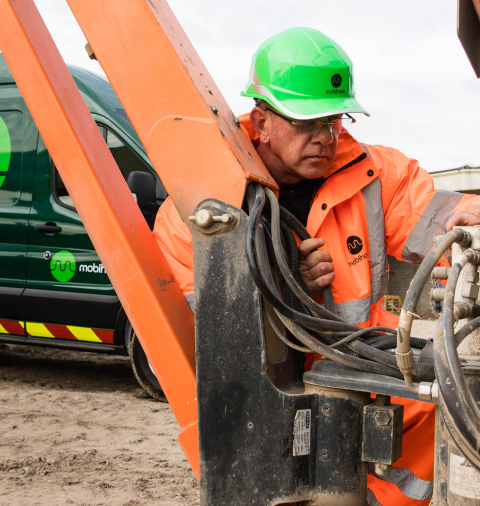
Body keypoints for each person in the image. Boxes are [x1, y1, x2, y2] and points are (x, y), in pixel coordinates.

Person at [153, 27, 480, 506]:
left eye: (334, 120)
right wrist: (284, 285)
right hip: (266, 402)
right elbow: (207, 325)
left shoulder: (375, 173)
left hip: (369, 378)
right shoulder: (201, 209)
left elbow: (435, 214)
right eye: (308, 123)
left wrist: (467, 215)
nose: (326, 138)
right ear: (262, 120)